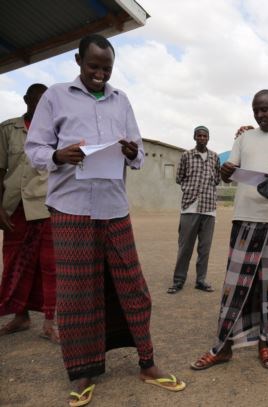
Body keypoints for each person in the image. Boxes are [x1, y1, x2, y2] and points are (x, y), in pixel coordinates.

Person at [25, 34, 185, 407]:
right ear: (79, 61)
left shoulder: (121, 99)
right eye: (93, 66)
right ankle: (83, 371)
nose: (99, 74)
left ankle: (147, 363)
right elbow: (35, 149)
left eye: (106, 68)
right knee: (78, 293)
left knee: (133, 285)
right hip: (71, 208)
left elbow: (140, 152)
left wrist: (131, 151)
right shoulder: (55, 97)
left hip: (114, 207)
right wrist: (59, 155)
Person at [190, 89, 268, 371]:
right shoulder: (243, 138)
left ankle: (265, 344)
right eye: (255, 110)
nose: (259, 115)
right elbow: (230, 175)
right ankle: (224, 346)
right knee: (235, 285)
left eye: (265, 109)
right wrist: (225, 172)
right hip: (244, 218)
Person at [0, 83, 59, 343]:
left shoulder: (56, 131)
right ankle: (21, 316)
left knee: (49, 266)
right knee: (14, 263)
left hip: (44, 207)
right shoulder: (7, 129)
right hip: (14, 207)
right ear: (25, 100)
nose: (40, 105)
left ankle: (49, 322)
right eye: (35, 100)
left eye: (45, 100)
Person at [167, 125, 220, 294]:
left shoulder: (214, 157)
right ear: (194, 137)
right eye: (199, 135)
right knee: (185, 248)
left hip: (209, 208)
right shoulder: (186, 156)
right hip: (189, 207)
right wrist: (189, 189)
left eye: (205, 136)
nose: (202, 138)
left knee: (204, 248)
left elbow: (217, 179)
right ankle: (178, 281)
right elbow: (179, 178)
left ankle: (201, 280)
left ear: (208, 138)